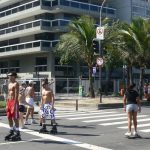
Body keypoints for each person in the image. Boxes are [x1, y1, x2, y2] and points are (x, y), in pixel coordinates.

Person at [5, 72, 21, 141]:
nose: (9, 77)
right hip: (9, 102)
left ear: (14, 76)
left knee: (15, 118)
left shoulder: (16, 84)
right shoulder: (9, 84)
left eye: (10, 76)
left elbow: (16, 95)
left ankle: (17, 133)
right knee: (9, 117)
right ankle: (11, 131)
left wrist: (14, 105)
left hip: (14, 102)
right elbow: (8, 94)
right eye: (9, 76)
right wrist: (7, 104)